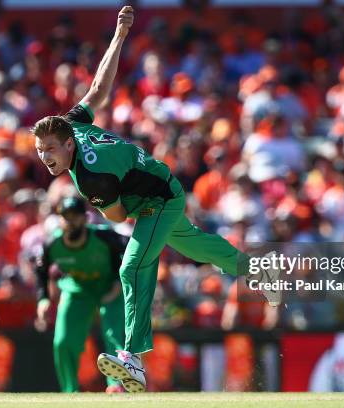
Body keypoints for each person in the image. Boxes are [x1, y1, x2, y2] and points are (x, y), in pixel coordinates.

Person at [32, 6, 279, 393]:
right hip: (164, 189)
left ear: (66, 143)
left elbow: (116, 216)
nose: (45, 157)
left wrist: (121, 206)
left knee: (133, 267)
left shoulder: (90, 179)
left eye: (49, 149)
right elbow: (98, 88)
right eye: (39, 150)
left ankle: (133, 359)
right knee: (198, 247)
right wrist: (119, 36)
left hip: (158, 200)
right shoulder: (74, 125)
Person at [34, 196, 127, 393]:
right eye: (65, 217)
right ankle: (70, 391)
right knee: (63, 340)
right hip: (78, 290)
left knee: (114, 335)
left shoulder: (104, 237)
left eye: (75, 217)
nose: (70, 221)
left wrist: (119, 284)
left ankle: (116, 386)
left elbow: (130, 254)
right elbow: (41, 270)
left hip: (109, 288)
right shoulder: (52, 244)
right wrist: (43, 299)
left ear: (85, 218)